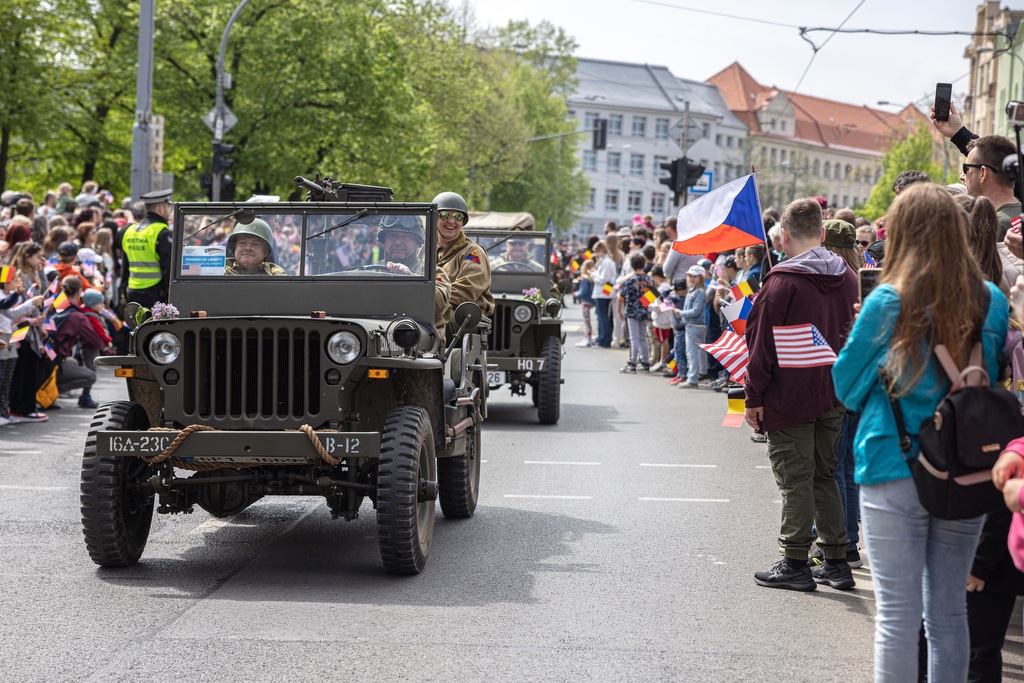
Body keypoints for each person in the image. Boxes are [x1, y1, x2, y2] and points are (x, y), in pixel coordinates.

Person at [832, 183, 1008, 683]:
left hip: (893, 461)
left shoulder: (889, 300)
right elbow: (987, 378)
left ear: (903, 234)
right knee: (949, 611)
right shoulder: (990, 300)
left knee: (897, 617)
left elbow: (846, 386)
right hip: (967, 468)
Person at [745, 197, 858, 592]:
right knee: (825, 476)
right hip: (834, 391)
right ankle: (836, 561)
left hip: (791, 395)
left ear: (784, 235)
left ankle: (794, 562)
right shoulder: (847, 276)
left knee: (795, 480)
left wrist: (753, 397)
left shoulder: (780, 282)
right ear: (823, 233)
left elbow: (760, 348)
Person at [433, 192, 493, 318]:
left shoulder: (472, 252)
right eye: (444, 216)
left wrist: (431, 299)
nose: (451, 221)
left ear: (463, 221)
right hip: (432, 308)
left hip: (465, 316)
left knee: (433, 323)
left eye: (458, 217)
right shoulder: (424, 251)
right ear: (434, 218)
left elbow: (467, 291)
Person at [51, 275, 106, 409]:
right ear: (79, 291)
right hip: (54, 362)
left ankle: (47, 390)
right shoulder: (77, 315)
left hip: (47, 359)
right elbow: (95, 341)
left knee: (72, 362)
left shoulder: (56, 306)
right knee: (90, 376)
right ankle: (50, 393)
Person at [121, 188, 173, 307]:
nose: (170, 210)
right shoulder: (161, 231)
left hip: (132, 291)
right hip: (155, 294)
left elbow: (125, 267)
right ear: (161, 207)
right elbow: (168, 268)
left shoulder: (130, 231)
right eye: (168, 206)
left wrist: (123, 291)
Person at [616, 252, 653, 373]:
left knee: (633, 338)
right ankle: (645, 361)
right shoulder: (649, 279)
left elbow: (621, 298)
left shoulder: (629, 281)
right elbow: (653, 296)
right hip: (644, 311)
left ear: (632, 265)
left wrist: (619, 311)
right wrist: (643, 303)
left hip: (631, 311)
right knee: (643, 337)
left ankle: (632, 363)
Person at [678, 264, 708, 388]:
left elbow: (696, 311)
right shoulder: (693, 290)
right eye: (690, 276)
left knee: (692, 353)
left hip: (695, 325)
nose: (691, 278)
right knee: (696, 353)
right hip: (693, 325)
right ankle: (698, 374)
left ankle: (692, 379)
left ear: (700, 278)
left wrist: (680, 313)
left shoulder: (699, 292)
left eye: (695, 276)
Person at [575, 259, 596, 348]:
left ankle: (587, 339)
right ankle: (588, 338)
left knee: (586, 321)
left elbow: (583, 291)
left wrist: (576, 294)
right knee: (590, 321)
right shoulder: (593, 277)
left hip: (585, 300)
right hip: (593, 300)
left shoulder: (584, 278)